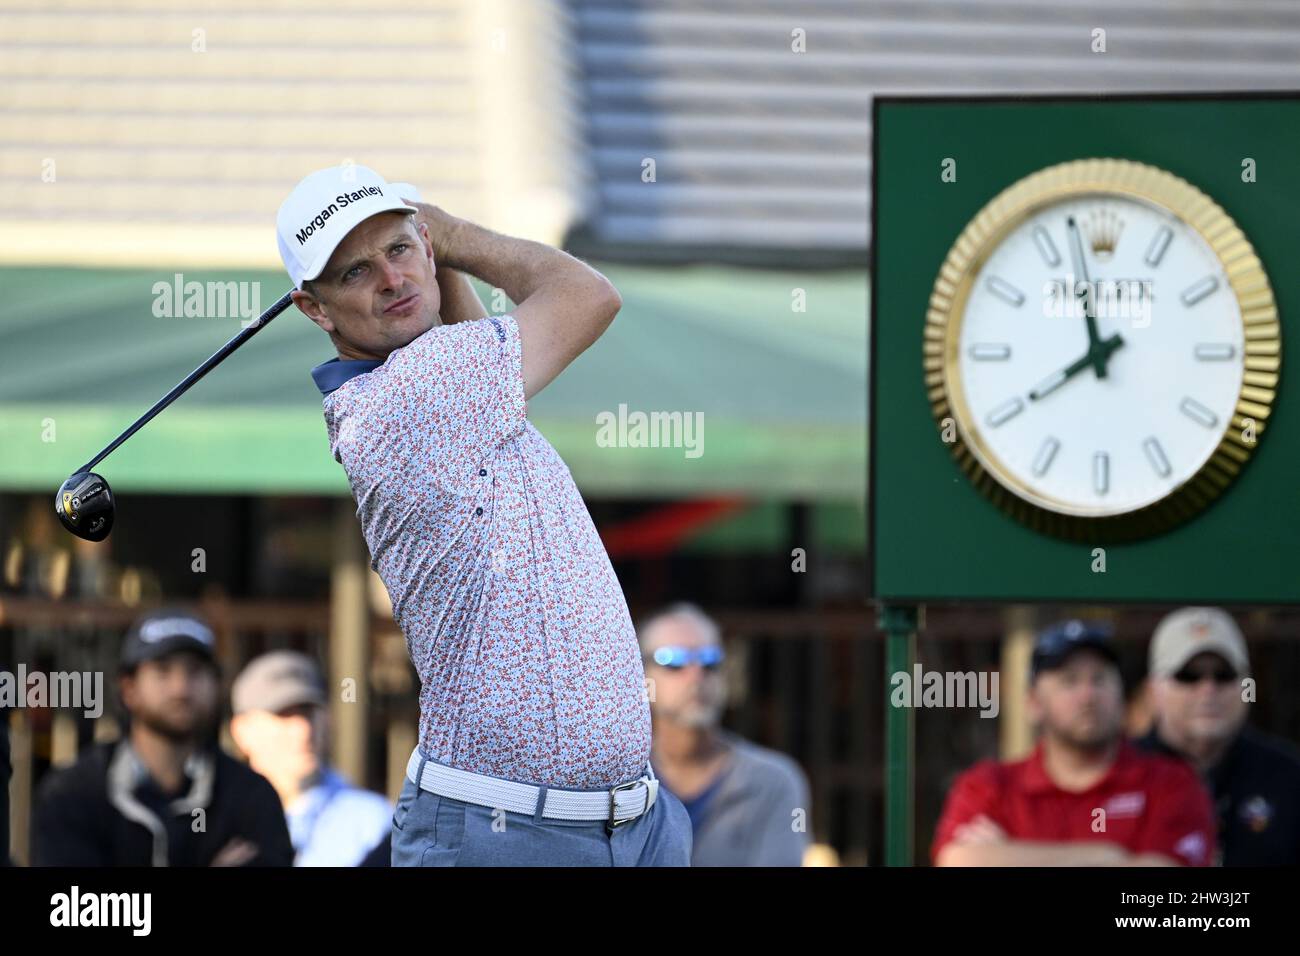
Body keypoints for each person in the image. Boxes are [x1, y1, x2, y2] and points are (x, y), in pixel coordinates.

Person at [276, 165, 690, 866]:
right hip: (505, 832)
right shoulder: (408, 398)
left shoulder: (456, 382)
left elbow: (473, 341)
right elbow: (587, 295)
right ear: (314, 310)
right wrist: (453, 236)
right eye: (354, 273)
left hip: (631, 822)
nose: (391, 279)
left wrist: (434, 256)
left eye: (400, 250)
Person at [933, 619, 1216, 866]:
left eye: (1100, 678)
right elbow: (958, 860)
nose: (1088, 694)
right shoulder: (989, 786)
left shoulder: (1171, 783)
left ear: (1120, 694)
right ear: (1033, 702)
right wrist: (1106, 856)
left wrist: (1011, 856)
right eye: (1069, 681)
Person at [31, 609, 294, 867]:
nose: (180, 688)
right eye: (162, 671)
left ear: (217, 686)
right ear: (128, 688)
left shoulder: (251, 797)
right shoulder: (74, 793)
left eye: (195, 671)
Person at [640, 602, 810, 866]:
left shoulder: (773, 782)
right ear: (640, 675)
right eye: (673, 660)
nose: (696, 676)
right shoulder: (621, 781)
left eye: (710, 661)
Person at [1135, 606, 1300, 866]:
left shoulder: (1290, 776)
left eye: (1224, 675)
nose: (1208, 689)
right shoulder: (1116, 773)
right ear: (1153, 690)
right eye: (1188, 676)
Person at [229, 650, 391, 866]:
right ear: (242, 730)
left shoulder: (374, 823)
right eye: (283, 715)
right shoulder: (216, 819)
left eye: (308, 713)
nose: (304, 730)